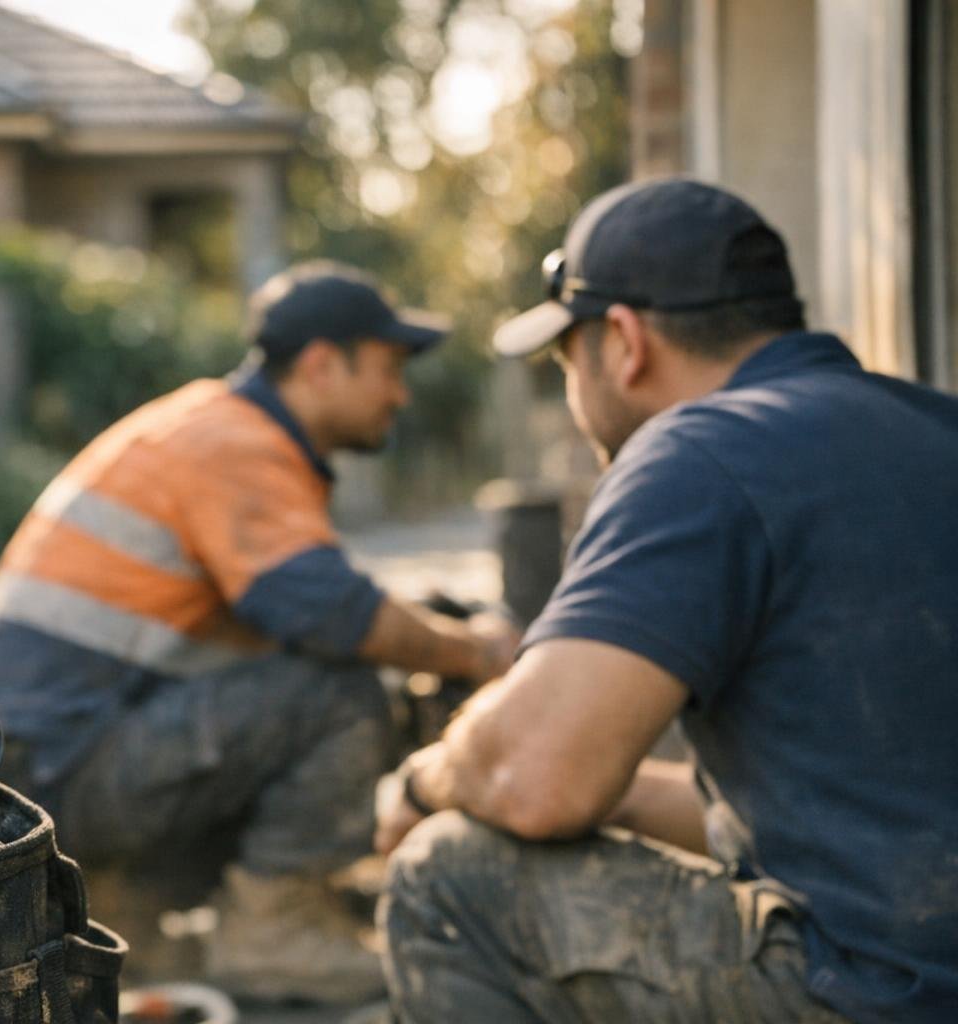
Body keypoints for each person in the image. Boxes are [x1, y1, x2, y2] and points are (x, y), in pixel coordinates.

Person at [374, 178, 958, 1023]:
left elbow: (535, 779)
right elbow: (843, 814)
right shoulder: (935, 429)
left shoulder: (698, 449)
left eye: (565, 358)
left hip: (873, 999)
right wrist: (620, 788)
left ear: (622, 342)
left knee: (448, 877)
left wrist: (428, 785)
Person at [0, 260, 517, 1003]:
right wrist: (478, 651)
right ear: (321, 364)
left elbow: (302, 610)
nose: (400, 393)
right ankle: (271, 934)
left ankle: (136, 907)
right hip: (63, 775)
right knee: (343, 691)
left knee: (363, 660)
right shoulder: (234, 442)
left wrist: (435, 625)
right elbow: (335, 617)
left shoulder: (212, 427)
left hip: (43, 772)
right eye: (388, 368)